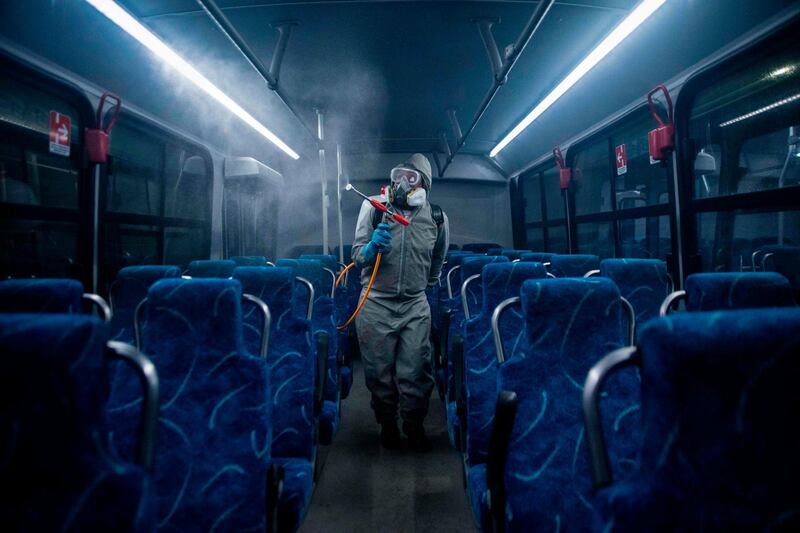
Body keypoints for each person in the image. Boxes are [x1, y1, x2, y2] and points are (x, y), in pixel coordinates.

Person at [352, 153, 449, 452]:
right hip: (375, 302)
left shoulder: (437, 217)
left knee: (416, 371)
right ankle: (388, 424)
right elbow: (356, 256)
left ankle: (414, 424)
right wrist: (369, 250)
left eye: (412, 177)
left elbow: (438, 259)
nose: (402, 182)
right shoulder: (372, 207)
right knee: (378, 372)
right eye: (398, 175)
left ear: (424, 185)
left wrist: (424, 287)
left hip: (414, 305)